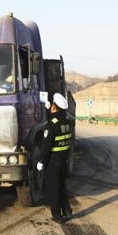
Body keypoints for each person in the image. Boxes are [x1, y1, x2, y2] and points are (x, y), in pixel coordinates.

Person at [37, 93, 73, 223]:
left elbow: (47, 146)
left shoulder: (51, 124)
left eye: (52, 104)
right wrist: (49, 110)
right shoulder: (66, 121)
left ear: (54, 107)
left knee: (53, 188)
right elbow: (56, 121)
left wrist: (41, 161)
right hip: (64, 159)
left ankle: (57, 215)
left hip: (53, 161)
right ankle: (67, 210)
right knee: (62, 186)